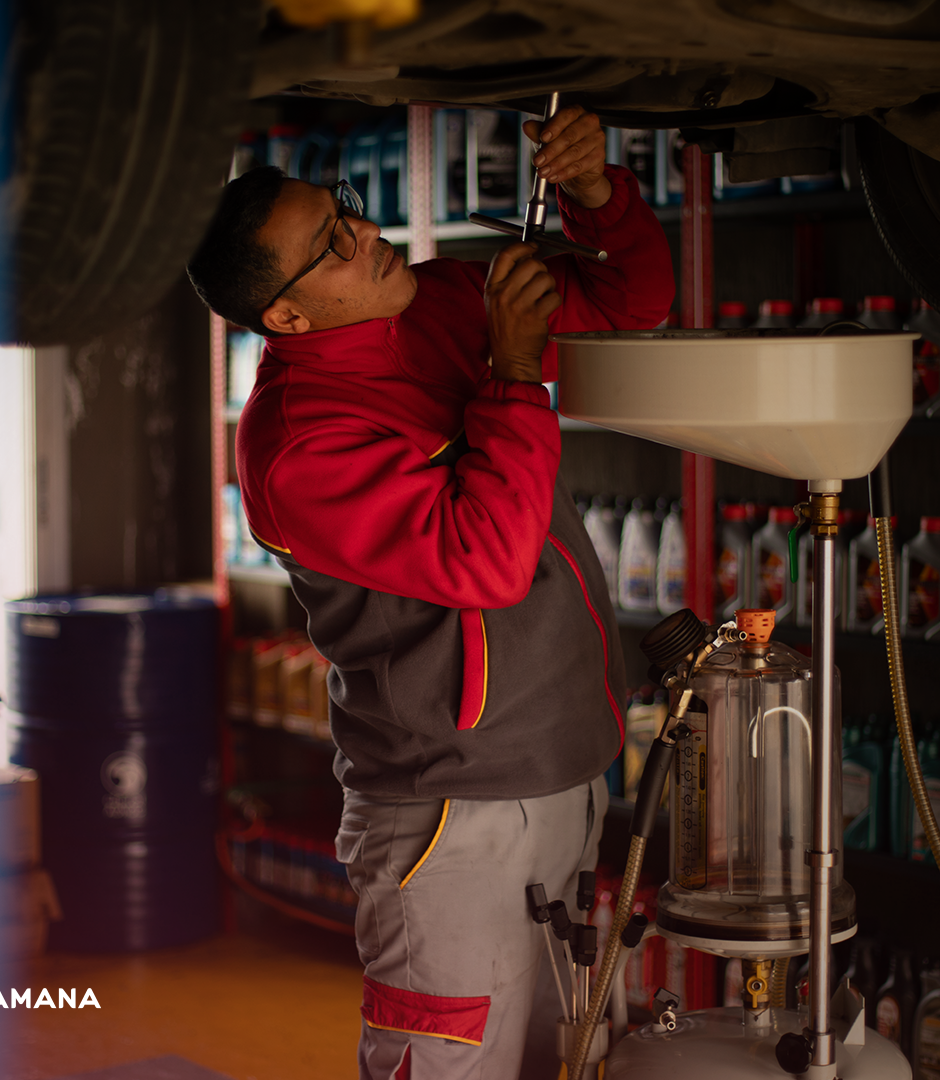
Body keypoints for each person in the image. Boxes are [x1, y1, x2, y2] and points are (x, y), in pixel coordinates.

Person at [187, 104, 674, 1079]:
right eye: (331, 245)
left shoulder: (442, 298)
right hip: (452, 821)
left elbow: (636, 300)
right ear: (283, 316)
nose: (366, 233)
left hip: (569, 772)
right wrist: (513, 370)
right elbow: (485, 561)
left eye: (348, 209)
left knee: (566, 1063)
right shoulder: (295, 447)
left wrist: (593, 194)